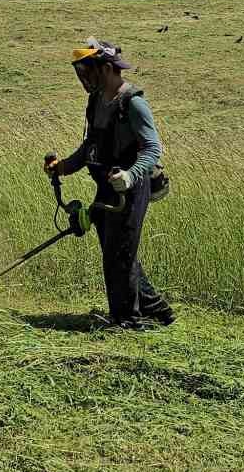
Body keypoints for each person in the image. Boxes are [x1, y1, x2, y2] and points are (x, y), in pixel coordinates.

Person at [46, 38, 175, 331]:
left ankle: (128, 321)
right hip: (106, 186)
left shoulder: (133, 102)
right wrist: (65, 166)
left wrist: (130, 175)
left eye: (87, 72)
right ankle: (158, 311)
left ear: (106, 68)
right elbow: (90, 145)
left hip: (130, 188)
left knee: (119, 254)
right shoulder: (95, 101)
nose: (83, 79)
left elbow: (153, 148)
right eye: (80, 73)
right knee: (117, 251)